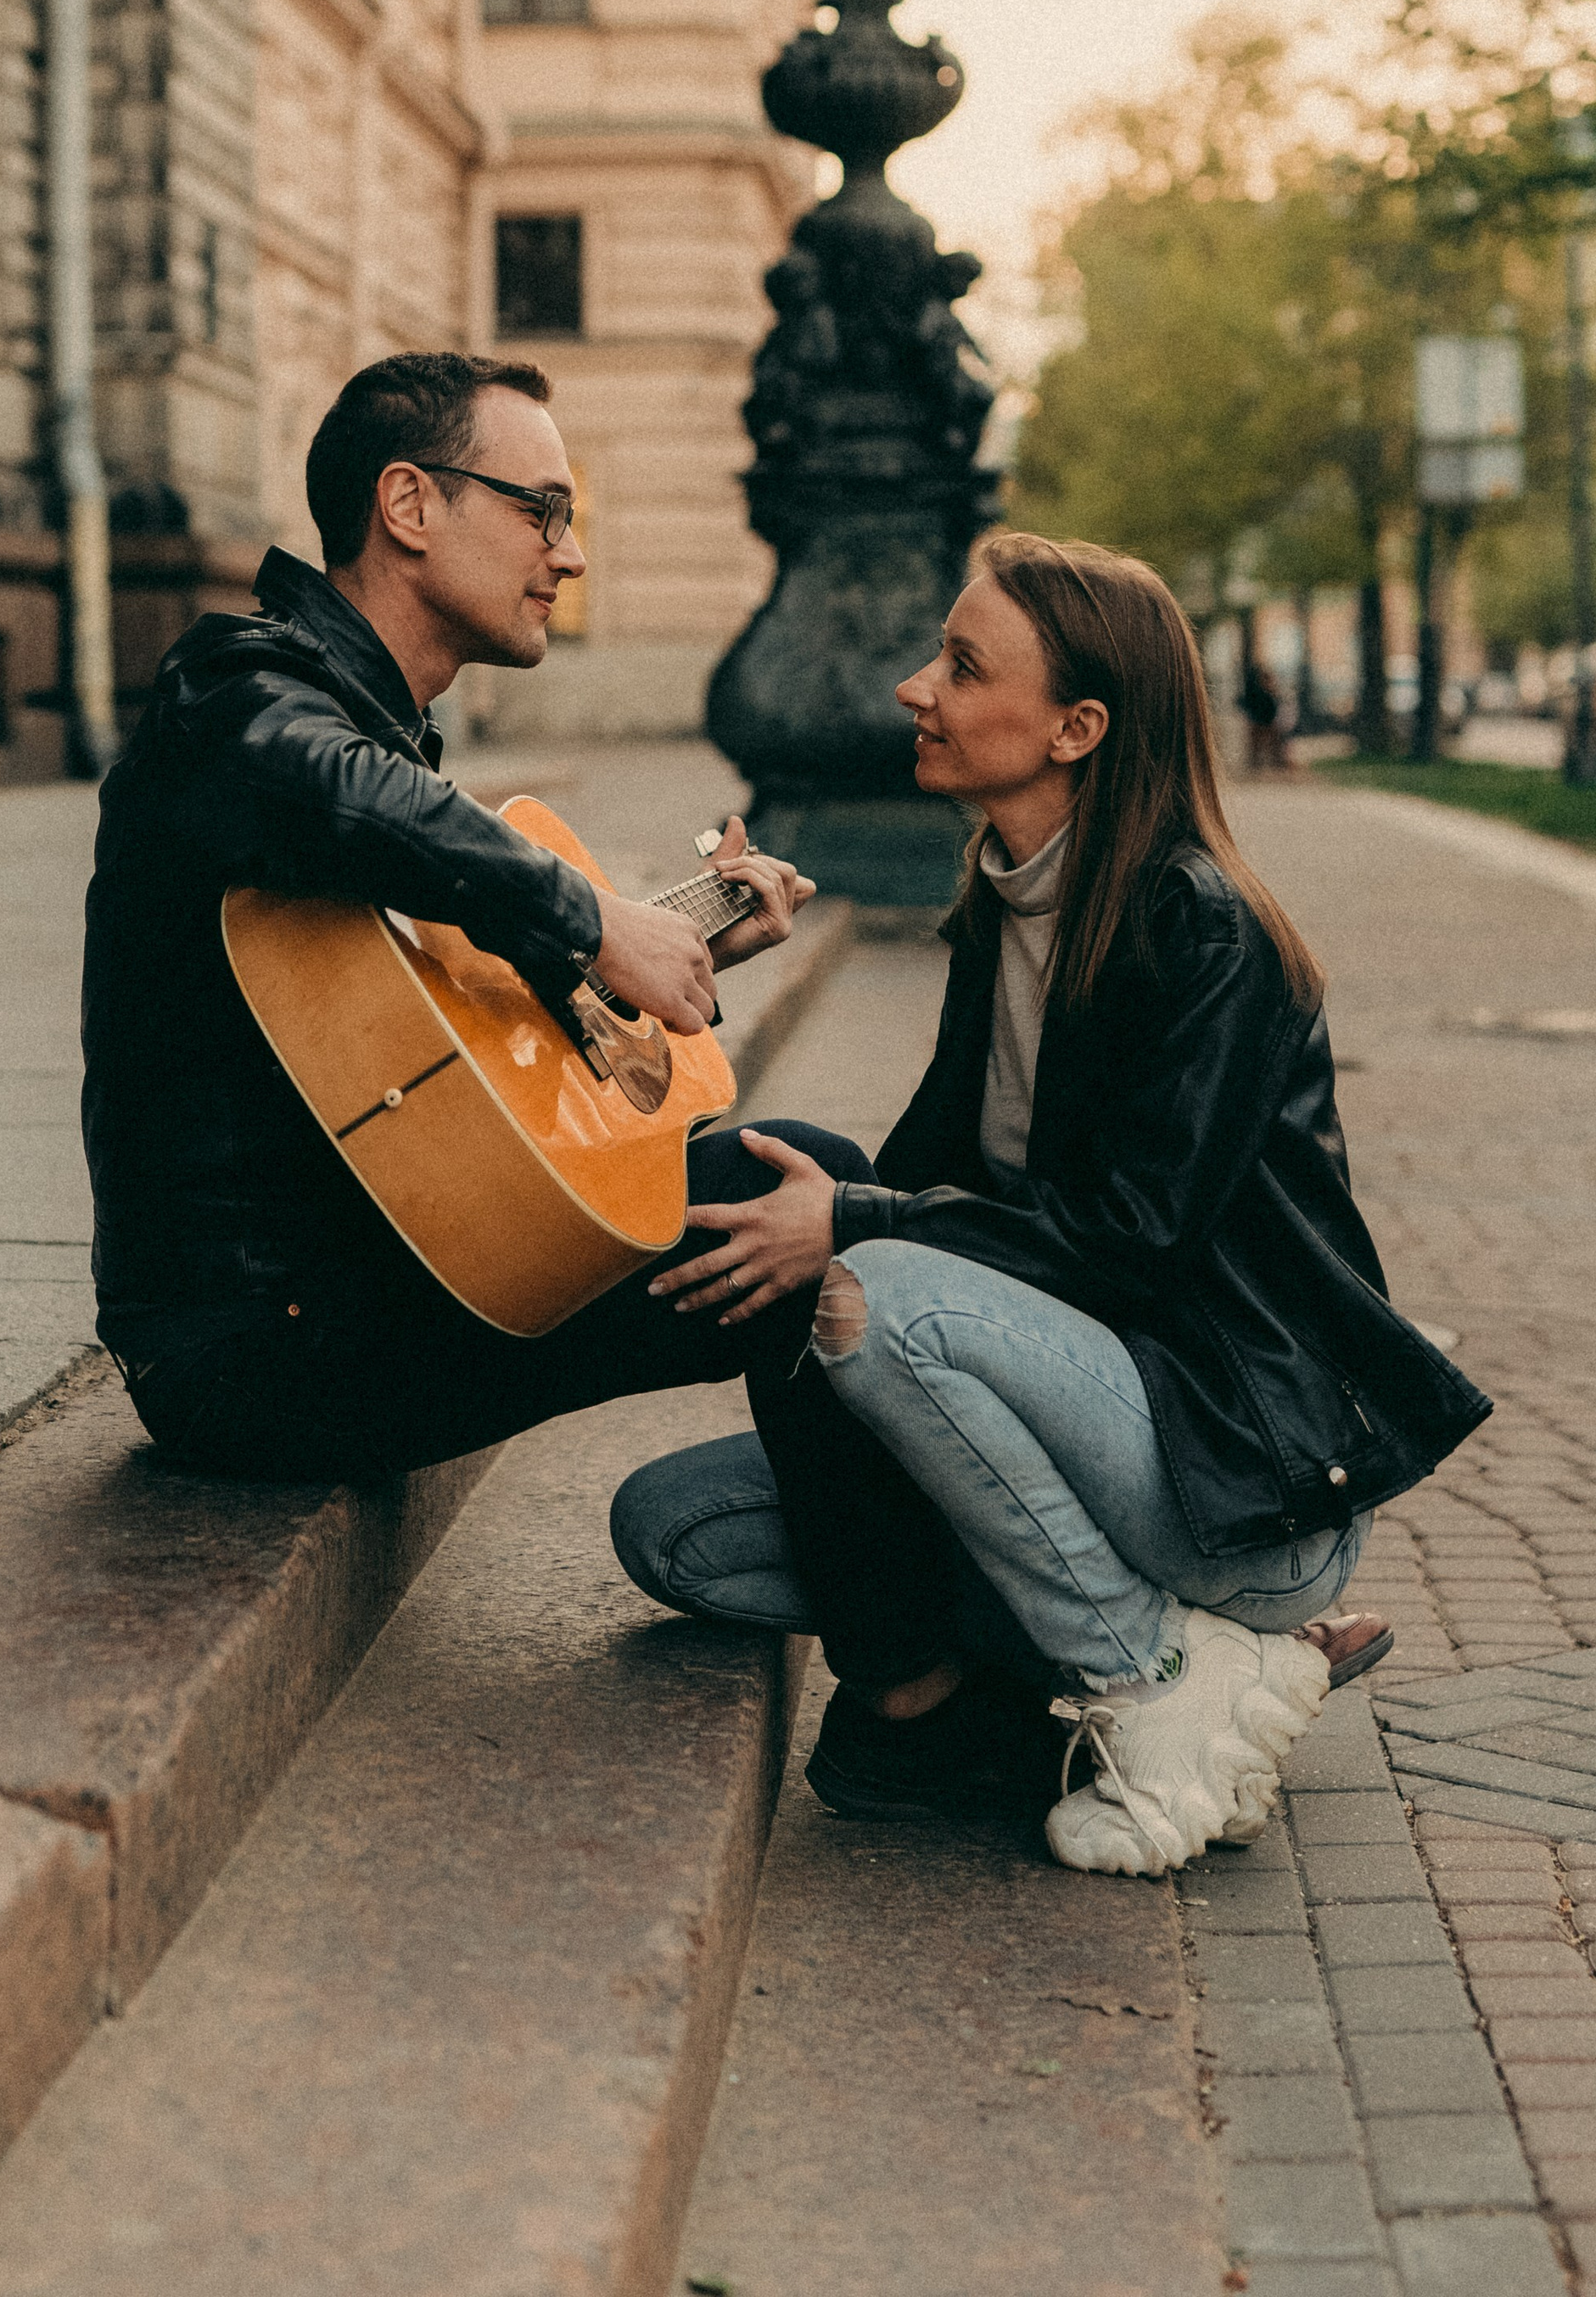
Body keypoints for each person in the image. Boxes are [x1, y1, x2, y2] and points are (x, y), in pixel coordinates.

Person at [81, 350, 975, 1703]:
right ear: (409, 505)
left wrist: (672, 943)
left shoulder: (381, 733)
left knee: (799, 1187)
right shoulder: (236, 690)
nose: (569, 554)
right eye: (541, 510)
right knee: (788, 1189)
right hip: (253, 1346)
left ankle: (947, 1629)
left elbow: (428, 1045)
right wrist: (593, 917)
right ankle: (918, 1691)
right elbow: (332, 790)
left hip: (364, 1268)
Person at [610, 530, 1491, 1877]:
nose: (915, 687)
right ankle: (1225, 1666)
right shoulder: (1008, 904)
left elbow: (1127, 1242)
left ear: (1078, 726)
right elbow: (910, 1174)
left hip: (1232, 1476)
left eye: (961, 665)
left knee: (870, 1293)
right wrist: (689, 973)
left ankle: (1140, 1676)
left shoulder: (1205, 932)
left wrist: (849, 1226)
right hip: (1089, 1430)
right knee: (679, 1537)